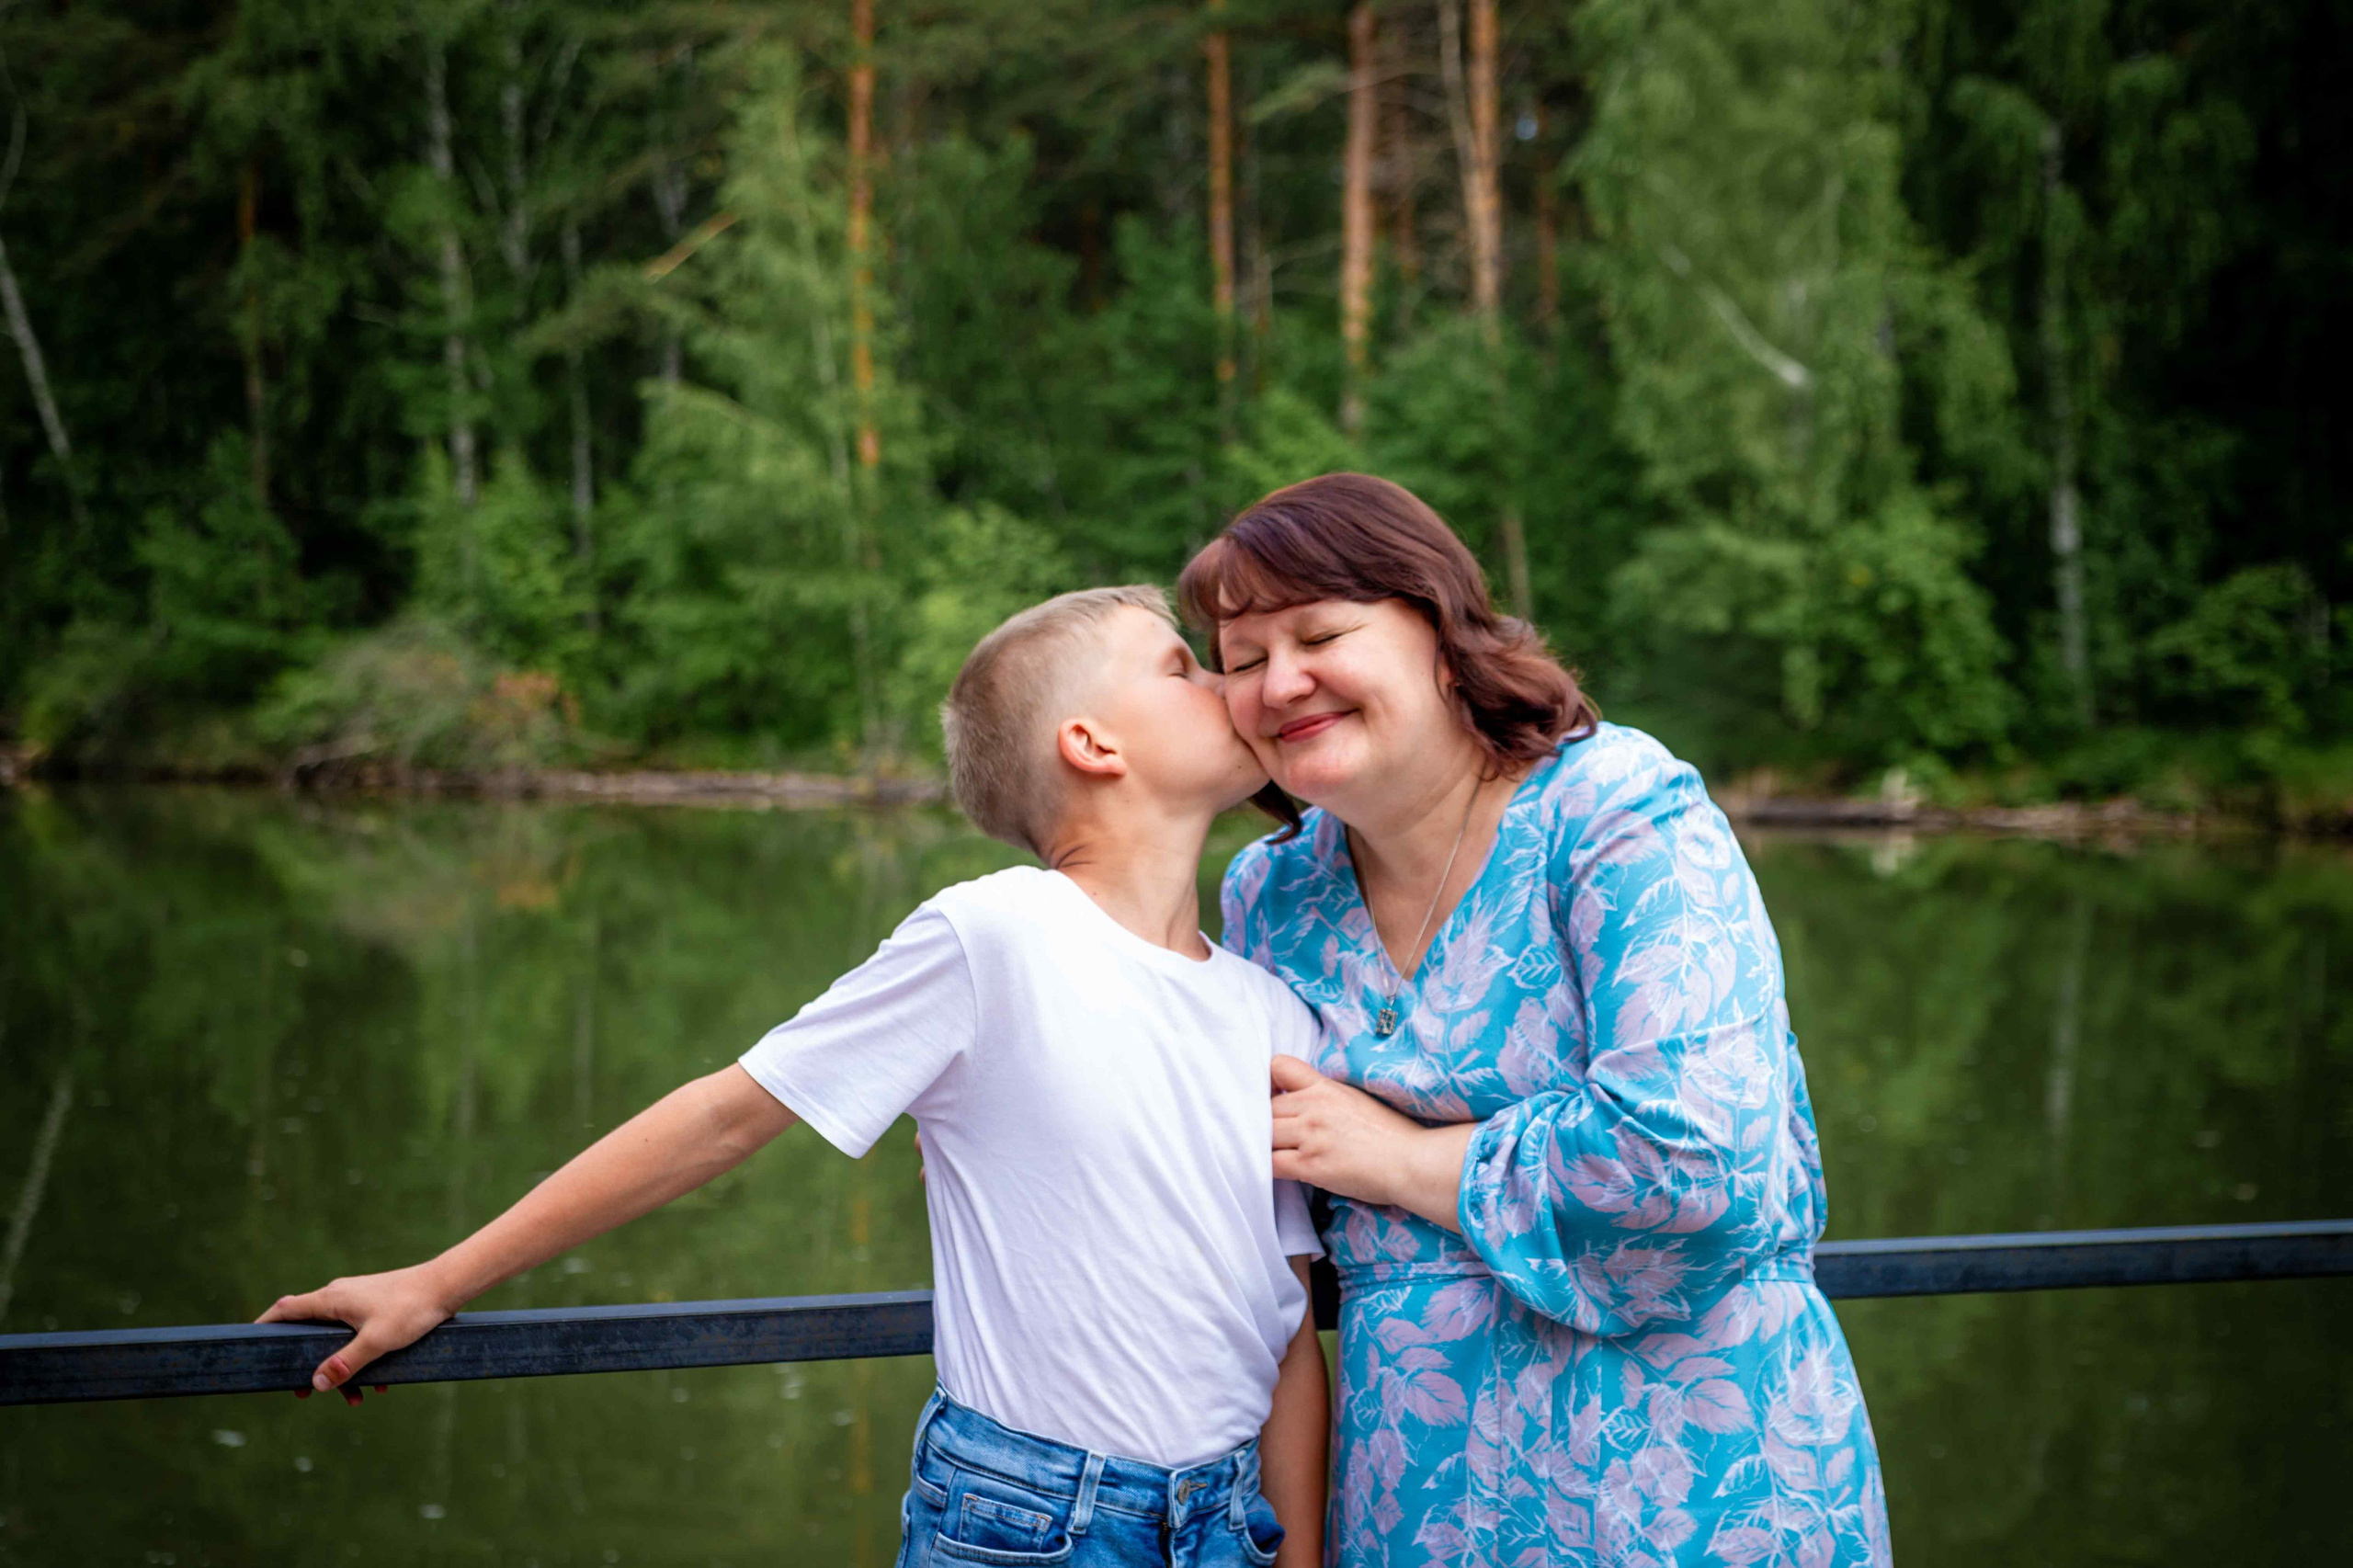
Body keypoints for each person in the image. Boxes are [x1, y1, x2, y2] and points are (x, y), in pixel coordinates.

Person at [259, 585, 1330, 1568]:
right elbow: (723, 1116)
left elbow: (1281, 1322)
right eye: (1180, 666)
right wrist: (437, 1281)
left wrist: (1299, 1552)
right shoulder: (997, 933)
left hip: (1229, 1521)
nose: (1228, 685)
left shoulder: (1271, 1007)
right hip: (1030, 1519)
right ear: (1092, 742)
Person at [1178, 474, 1893, 1567]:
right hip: (1414, 1506)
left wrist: (1405, 1161)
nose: (1282, 681)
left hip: (1698, 1491)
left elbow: (1695, 1159)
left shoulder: (1616, 810)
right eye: (1241, 659)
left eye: (1320, 632)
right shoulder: (1268, 897)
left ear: (1438, 631)